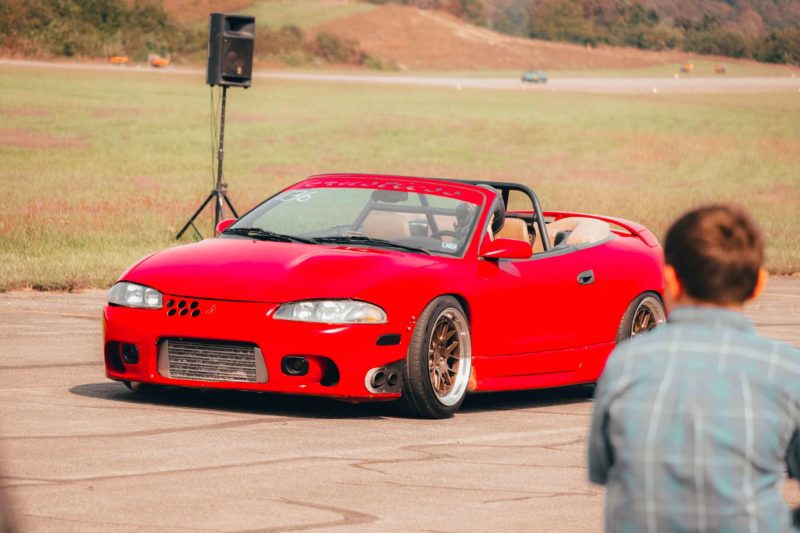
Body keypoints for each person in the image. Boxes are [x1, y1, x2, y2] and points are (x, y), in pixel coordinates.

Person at [588, 204, 800, 531]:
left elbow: (601, 469)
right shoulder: (785, 369)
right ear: (758, 285)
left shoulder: (625, 363)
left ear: (670, 280)